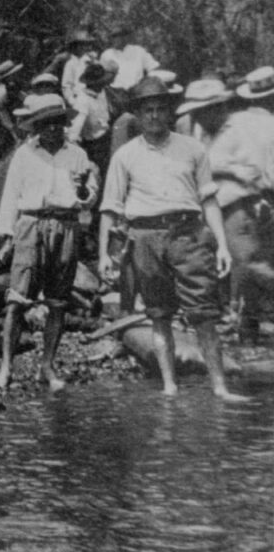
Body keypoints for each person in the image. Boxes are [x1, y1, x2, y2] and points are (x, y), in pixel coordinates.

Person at [99, 77, 247, 401]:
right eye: (147, 110)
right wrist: (103, 256)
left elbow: (209, 200)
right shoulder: (124, 156)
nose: (153, 116)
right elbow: (110, 210)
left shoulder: (192, 149)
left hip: (188, 235)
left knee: (204, 314)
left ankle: (220, 387)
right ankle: (169, 387)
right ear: (137, 115)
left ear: (170, 112)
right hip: (145, 238)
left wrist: (222, 244)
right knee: (159, 315)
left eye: (159, 109)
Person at [0, 94, 98, 391]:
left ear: (64, 125)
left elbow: (89, 197)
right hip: (31, 224)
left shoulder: (76, 154)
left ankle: (47, 365)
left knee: (58, 301)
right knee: (17, 301)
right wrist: (7, 237)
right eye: (45, 124)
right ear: (36, 127)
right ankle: (6, 368)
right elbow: (10, 196)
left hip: (65, 224)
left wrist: (85, 191)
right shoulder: (25, 154)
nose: (52, 129)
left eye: (57, 123)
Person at [186, 70, 274, 343]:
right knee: (221, 265)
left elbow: (253, 171)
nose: (198, 116)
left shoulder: (240, 128)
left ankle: (246, 320)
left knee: (249, 265)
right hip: (213, 208)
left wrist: (220, 168)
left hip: (238, 205)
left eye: (203, 110)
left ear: (217, 108)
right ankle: (242, 323)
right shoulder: (205, 132)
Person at [69, 59, 119, 177]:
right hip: (95, 147)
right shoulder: (83, 101)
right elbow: (74, 133)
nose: (101, 84)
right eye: (98, 82)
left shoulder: (102, 93)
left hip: (108, 138)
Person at [101, 26, 159, 90]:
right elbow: (101, 76)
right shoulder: (106, 54)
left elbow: (153, 68)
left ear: (125, 37)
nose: (114, 39)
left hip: (138, 91)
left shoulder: (138, 50)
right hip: (115, 94)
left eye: (117, 36)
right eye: (112, 37)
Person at [61, 28, 97, 106]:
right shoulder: (71, 64)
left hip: (94, 97)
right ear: (75, 46)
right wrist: (72, 101)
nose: (84, 47)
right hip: (78, 98)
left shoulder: (92, 60)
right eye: (81, 45)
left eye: (87, 45)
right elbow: (66, 86)